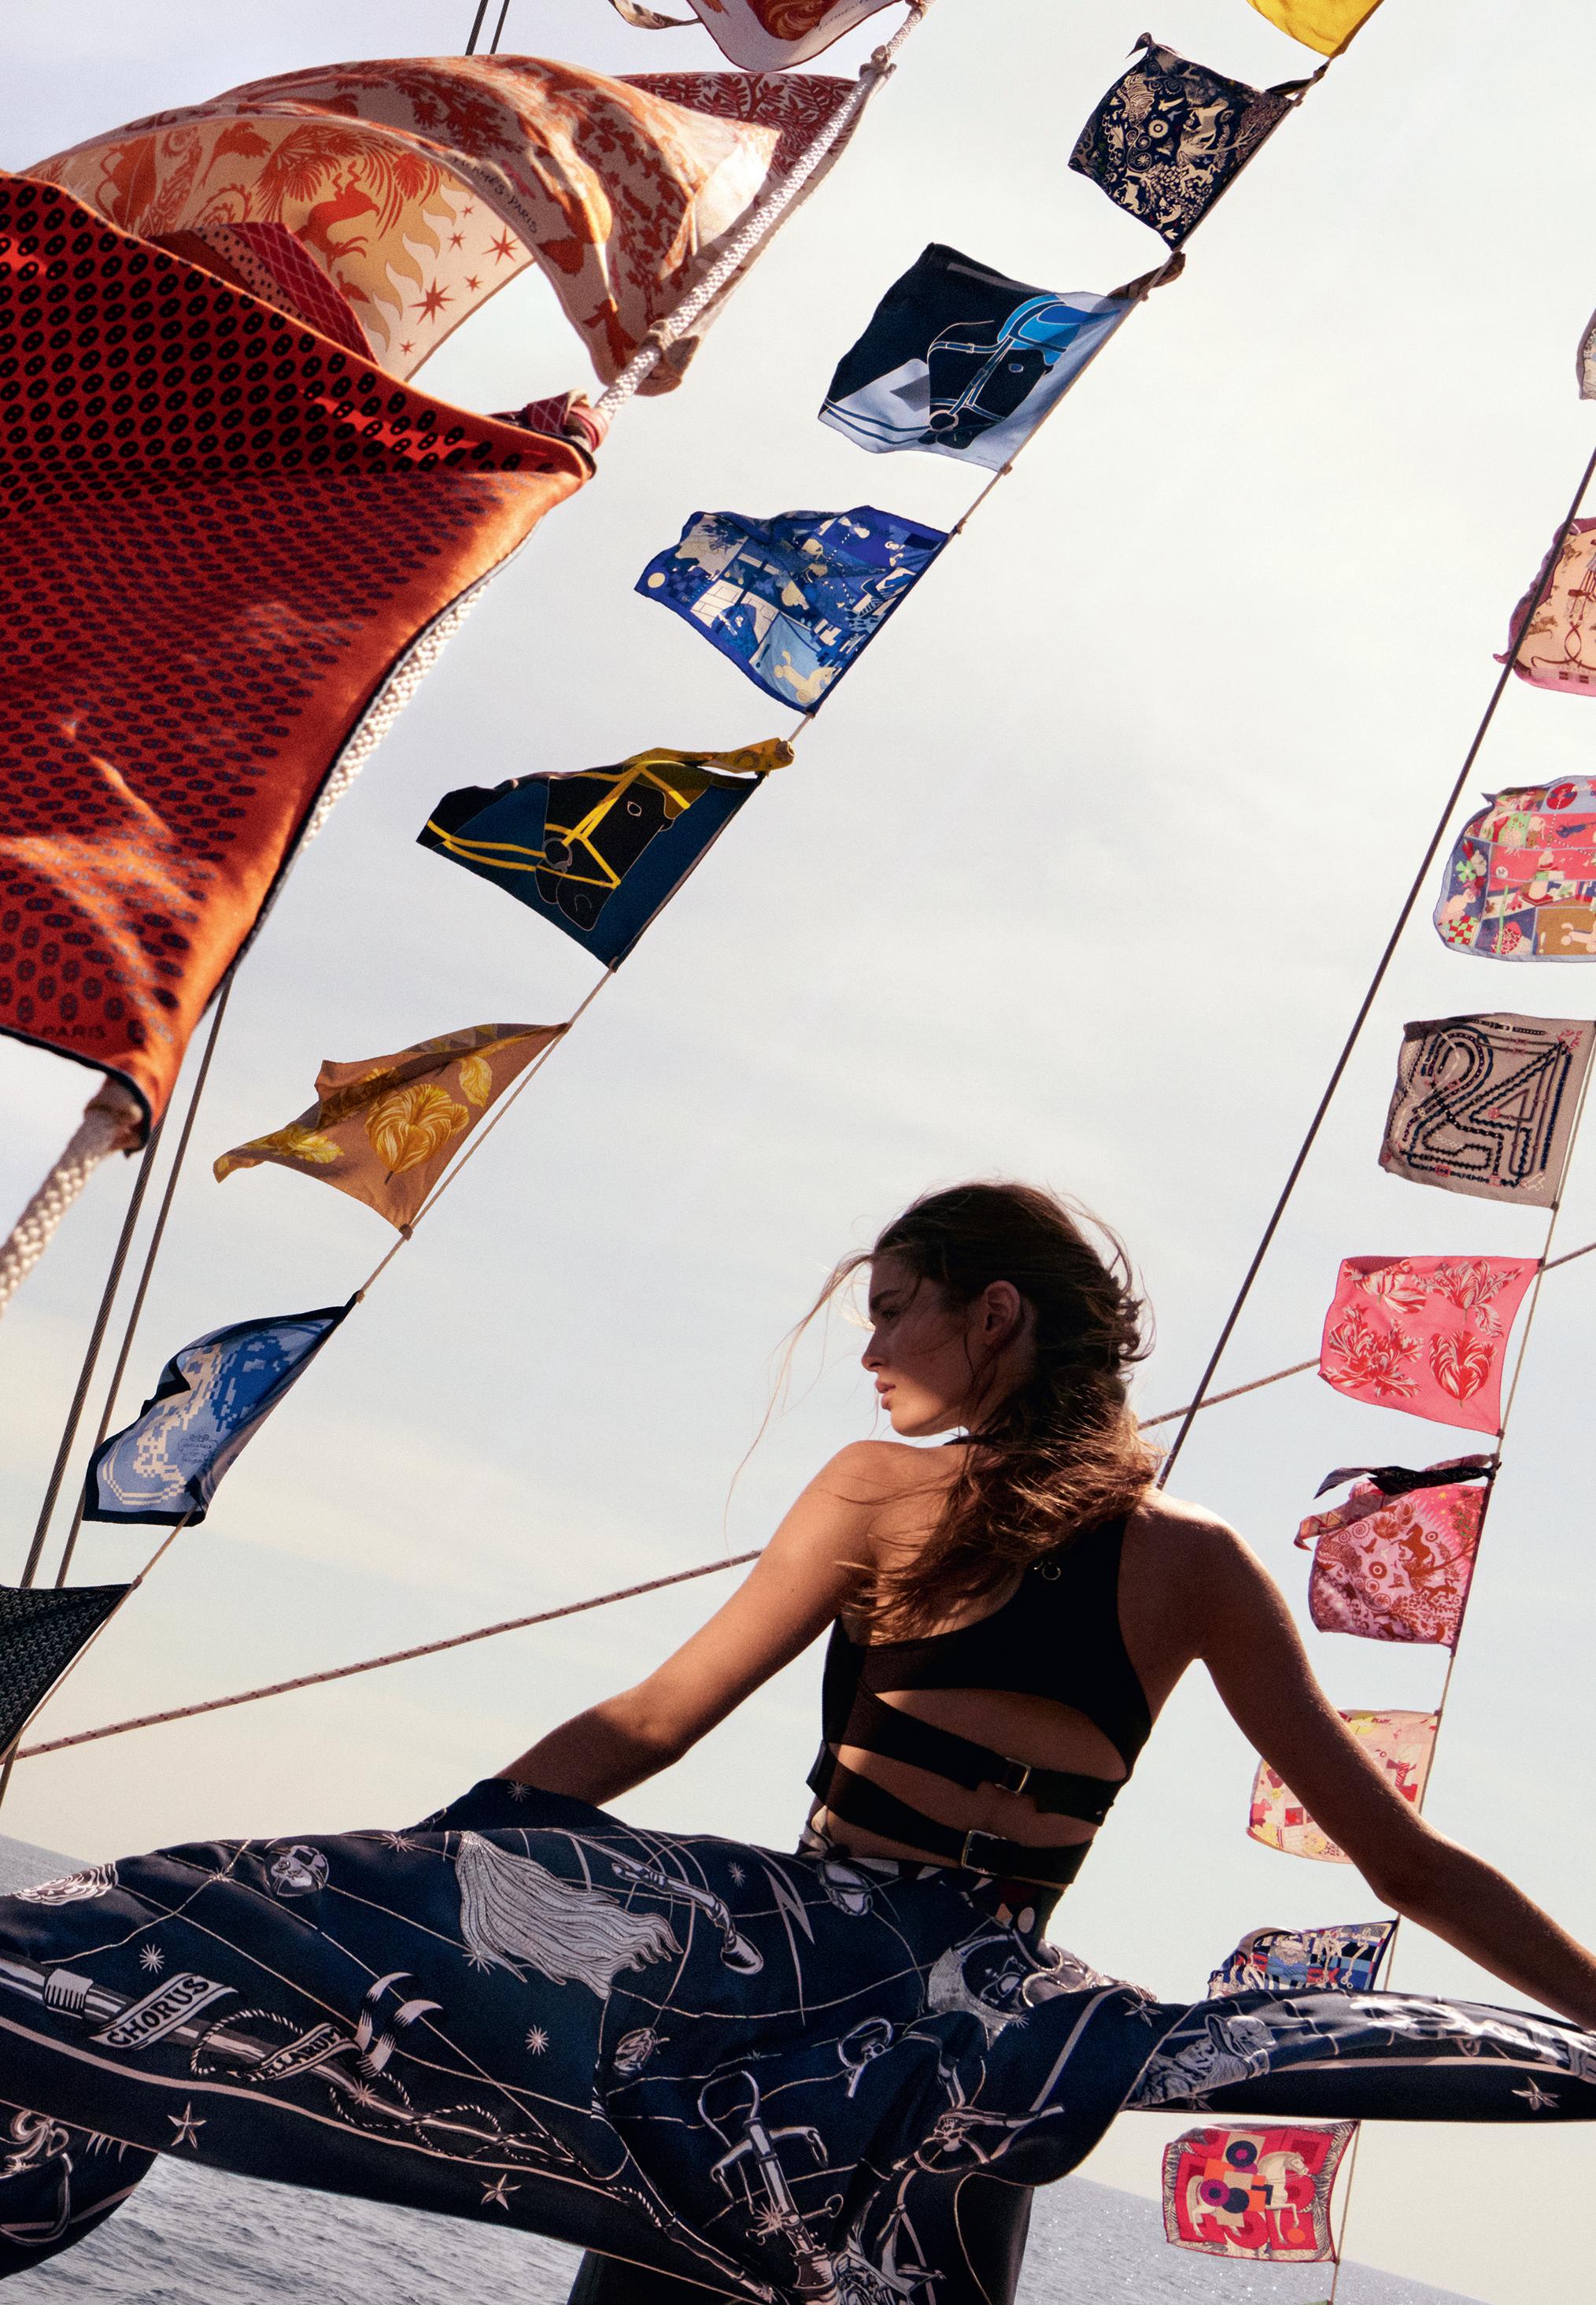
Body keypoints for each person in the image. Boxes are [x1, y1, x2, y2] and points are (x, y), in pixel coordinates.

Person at [0, 1182, 1591, 2305]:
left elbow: (651, 1722)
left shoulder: (879, 1493)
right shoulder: (1203, 1565)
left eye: (894, 1312)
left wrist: (397, 1880)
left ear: (996, 1314)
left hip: (762, 2039)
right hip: (981, 2066)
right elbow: (1407, 1865)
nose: (871, 1349)